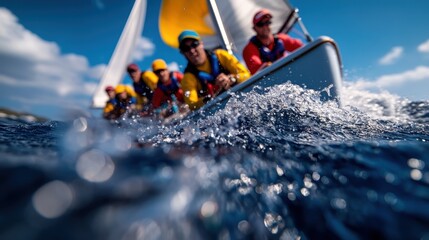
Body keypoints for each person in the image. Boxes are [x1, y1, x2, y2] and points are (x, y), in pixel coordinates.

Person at [178, 30, 251, 110]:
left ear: (201, 44)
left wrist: (232, 79)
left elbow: (246, 74)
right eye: (186, 48)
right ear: (183, 52)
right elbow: (192, 105)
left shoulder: (221, 55)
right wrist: (209, 99)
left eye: (194, 44)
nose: (191, 50)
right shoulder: (187, 78)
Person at [242, 9, 304, 75]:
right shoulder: (248, 49)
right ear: (254, 28)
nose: (265, 26)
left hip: (290, 73)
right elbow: (256, 70)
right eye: (260, 24)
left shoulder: (281, 38)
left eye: (267, 22)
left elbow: (303, 48)